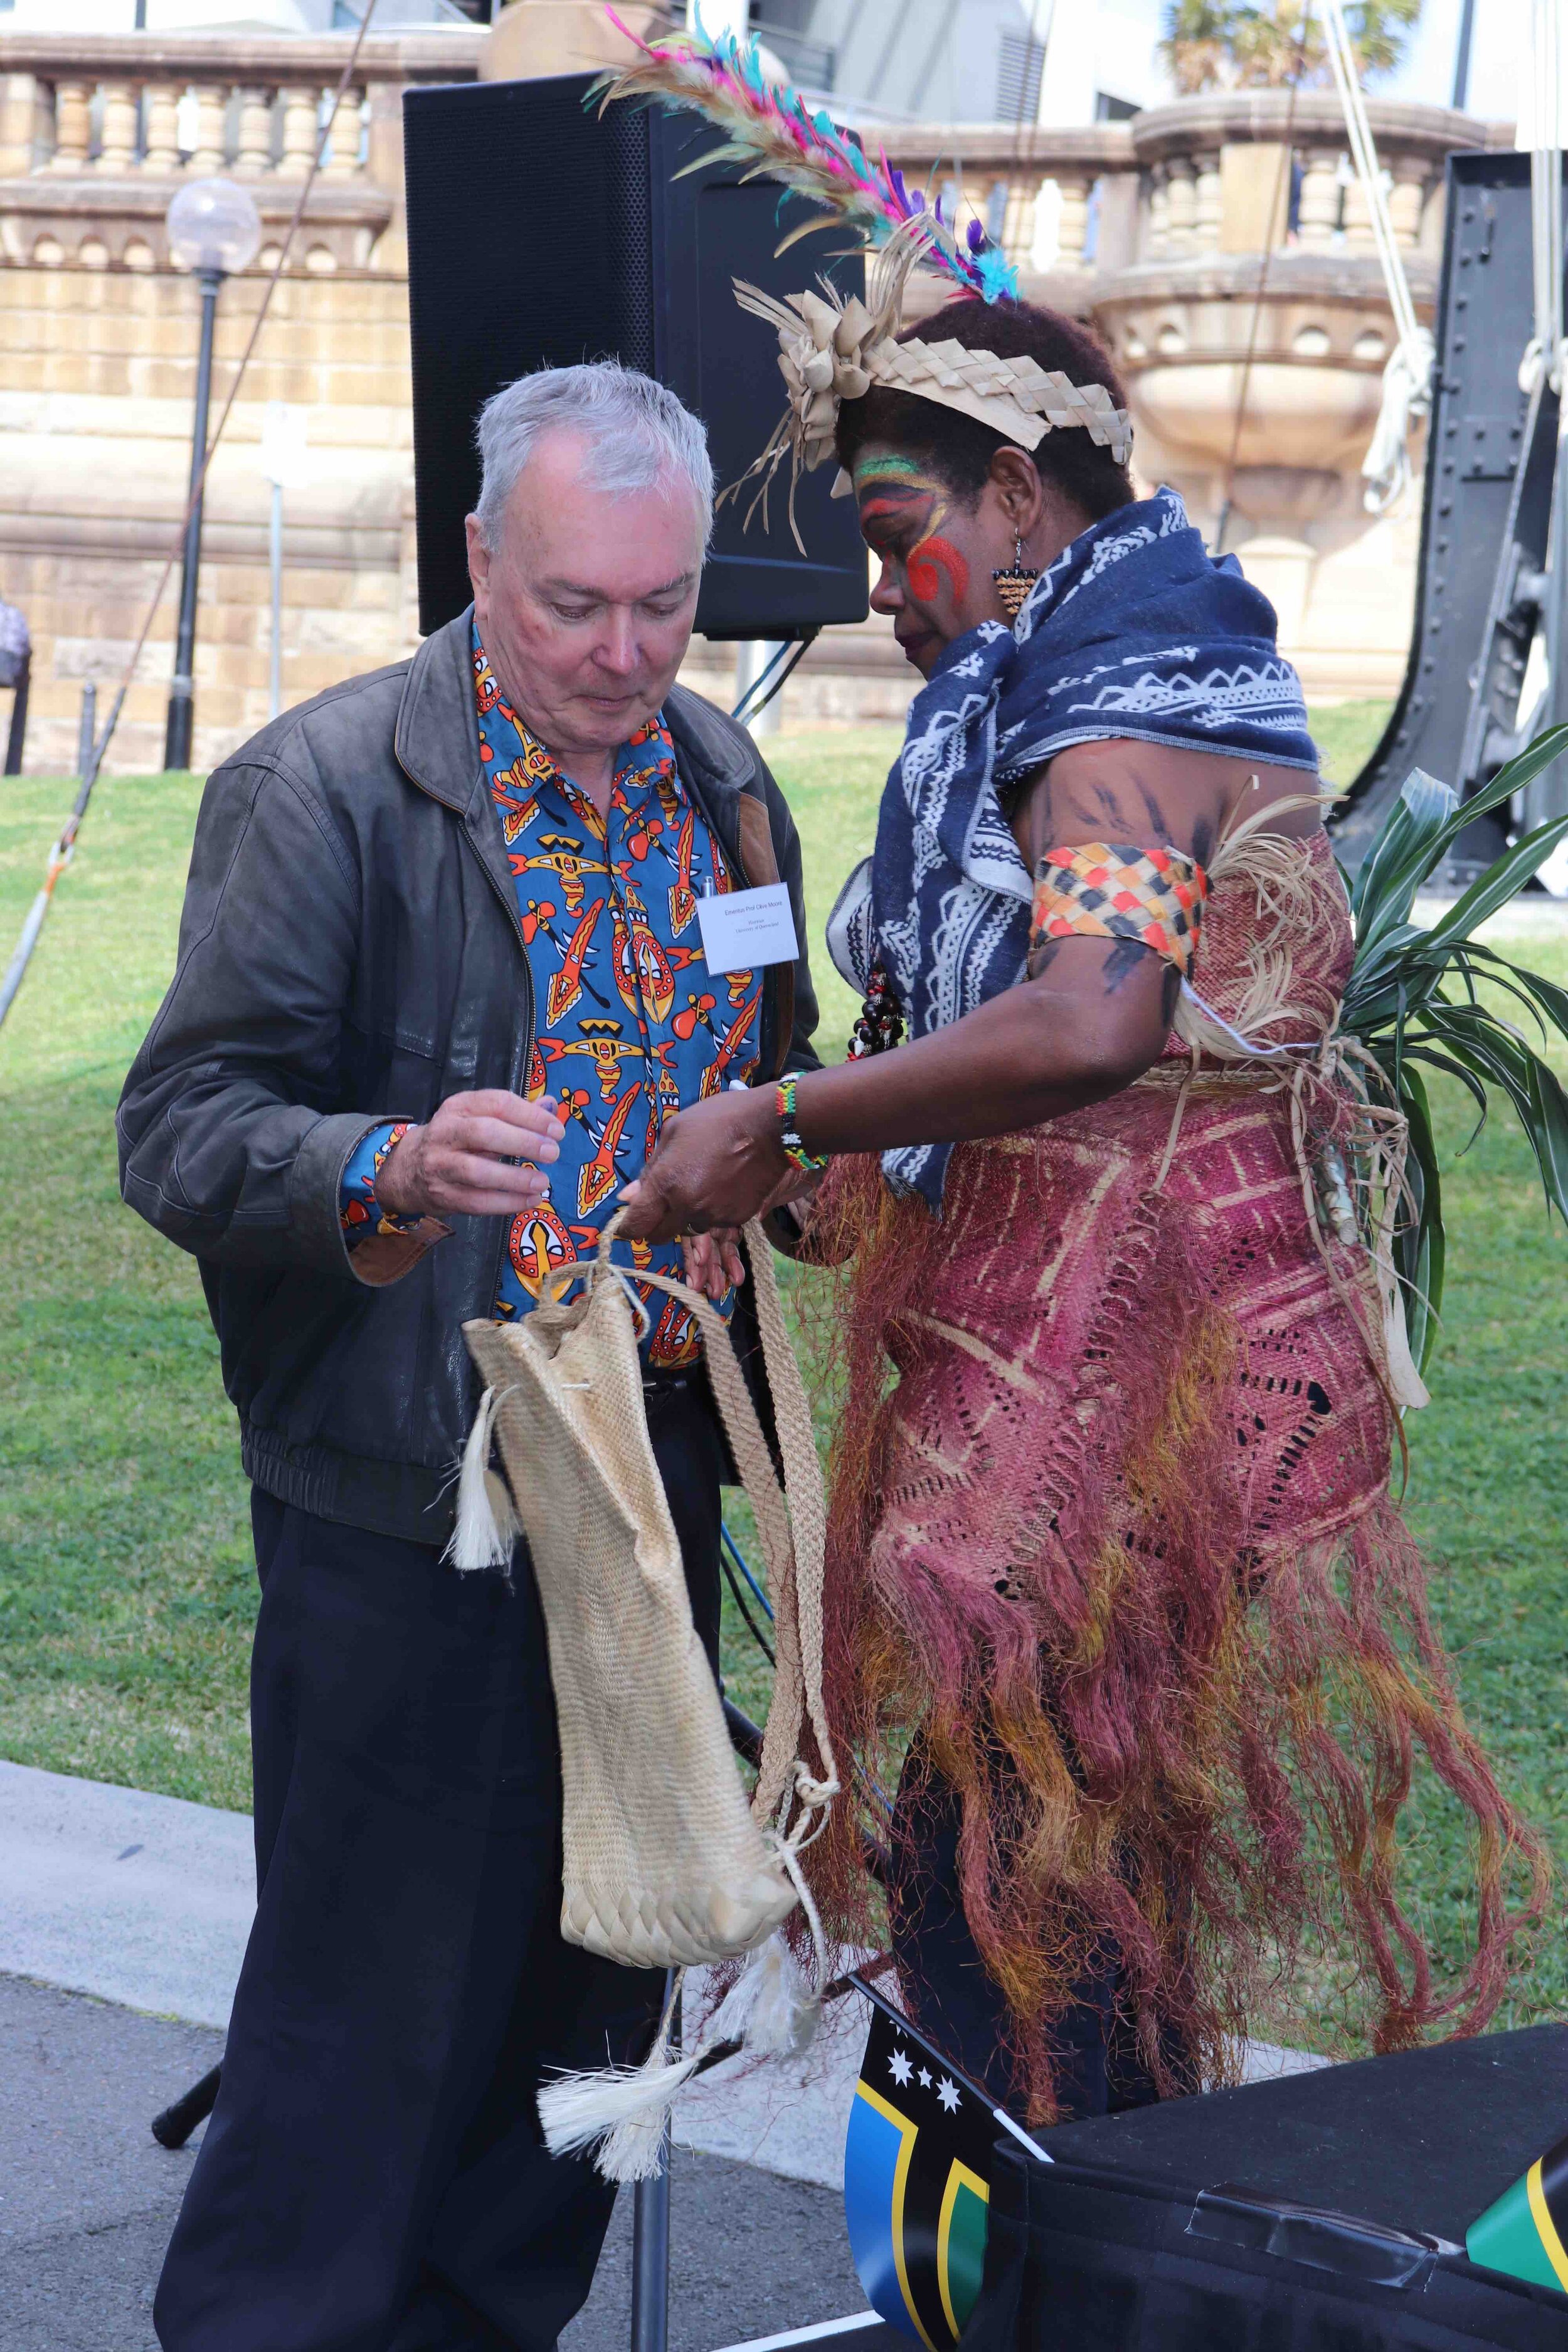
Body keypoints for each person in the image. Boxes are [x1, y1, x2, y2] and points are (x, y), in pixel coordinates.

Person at [615, 287, 1548, 2124]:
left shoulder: (1117, 713)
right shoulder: (1113, 677)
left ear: (1022, 500)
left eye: (901, 531)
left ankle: (1065, 2242)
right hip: (1110, 1360)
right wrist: (831, 1171)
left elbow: (1088, 1021)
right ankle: (1093, 2222)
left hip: (1125, 1387)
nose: (884, 589)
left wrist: (785, 1117)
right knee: (1045, 1847)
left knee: (1015, 1868)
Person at [117, 360, 820, 2351]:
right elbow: (180, 1129)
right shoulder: (329, 784)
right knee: (371, 1994)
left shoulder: (721, 780)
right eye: (572, 602)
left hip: (652, 1459)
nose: (623, 651)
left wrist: (804, 1153)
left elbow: (771, 1059)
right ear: (478, 561)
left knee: (593, 1965)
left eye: (663, 604)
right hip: (420, 1484)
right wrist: (392, 1163)